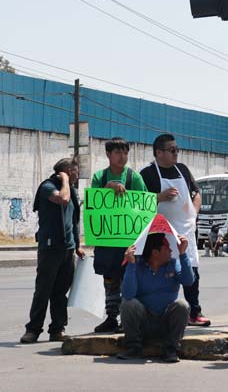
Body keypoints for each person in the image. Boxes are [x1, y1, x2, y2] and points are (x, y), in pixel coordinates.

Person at [140, 133, 210, 327]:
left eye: (177, 150)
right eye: (172, 150)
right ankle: (157, 313)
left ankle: (194, 312)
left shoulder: (183, 170)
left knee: (191, 272)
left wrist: (193, 214)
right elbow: (137, 203)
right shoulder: (147, 174)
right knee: (161, 273)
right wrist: (159, 197)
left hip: (186, 231)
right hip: (160, 233)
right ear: (159, 153)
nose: (176, 154)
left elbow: (196, 194)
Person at [21, 157, 84, 343]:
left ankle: (57, 329)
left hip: (68, 248)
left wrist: (78, 244)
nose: (77, 174)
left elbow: (74, 220)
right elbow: (62, 200)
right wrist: (64, 179)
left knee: (60, 292)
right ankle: (33, 330)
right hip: (50, 247)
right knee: (43, 290)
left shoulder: (72, 191)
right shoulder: (48, 186)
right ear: (65, 171)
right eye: (74, 171)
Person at [91, 137, 147, 334]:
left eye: (125, 153)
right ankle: (111, 317)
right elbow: (94, 203)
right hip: (107, 240)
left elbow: (144, 206)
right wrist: (108, 189)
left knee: (128, 280)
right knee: (109, 280)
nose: (122, 157)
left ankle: (128, 319)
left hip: (128, 242)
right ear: (108, 155)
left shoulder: (134, 178)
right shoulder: (99, 177)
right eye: (118, 152)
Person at [116, 233, 194, 362]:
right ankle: (133, 348)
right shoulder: (138, 265)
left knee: (182, 305)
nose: (170, 250)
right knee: (128, 304)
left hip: (165, 322)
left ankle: (170, 349)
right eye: (167, 247)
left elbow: (188, 281)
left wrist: (183, 254)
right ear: (155, 253)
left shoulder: (173, 264)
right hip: (144, 323)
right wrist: (130, 264)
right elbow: (128, 294)